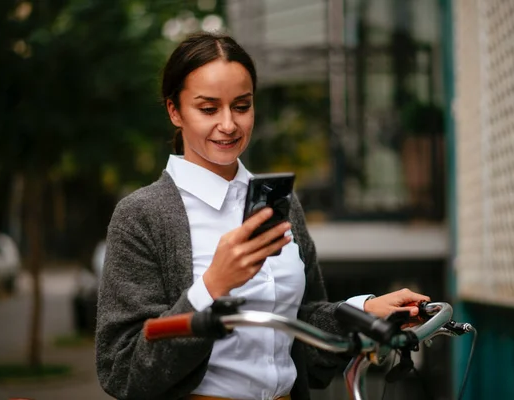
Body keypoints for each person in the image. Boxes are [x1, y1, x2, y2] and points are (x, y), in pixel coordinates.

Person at [95, 31, 430, 400]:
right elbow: (121, 369)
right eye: (208, 109)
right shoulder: (142, 215)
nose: (228, 124)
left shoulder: (278, 201)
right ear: (175, 110)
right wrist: (212, 286)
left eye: (242, 105)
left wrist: (364, 311)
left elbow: (303, 325)